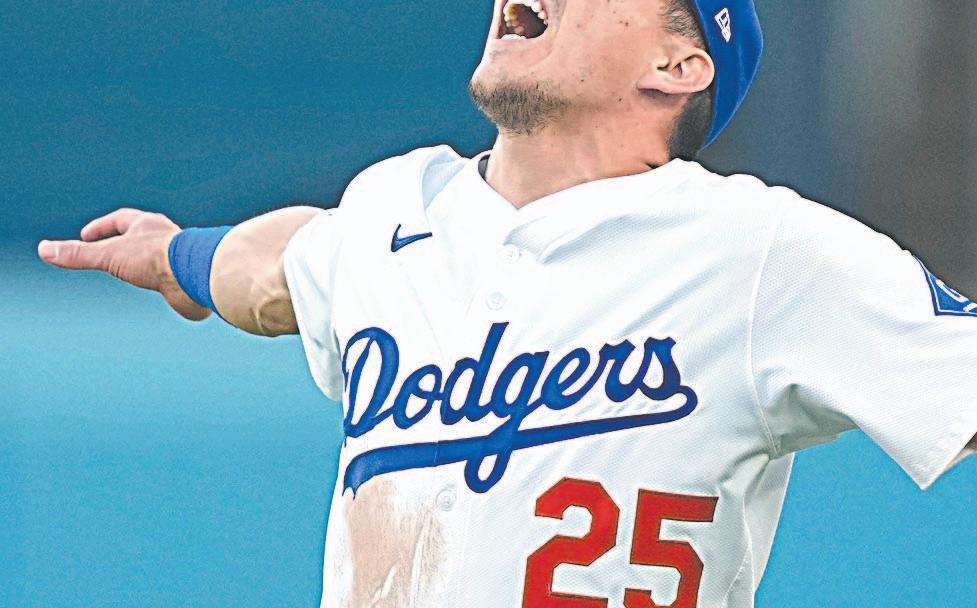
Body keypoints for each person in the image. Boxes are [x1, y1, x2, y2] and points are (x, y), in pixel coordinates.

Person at [36, 0, 977, 606]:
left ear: (678, 64)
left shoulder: (760, 250)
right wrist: (181, 256)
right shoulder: (393, 208)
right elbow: (284, 264)